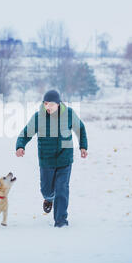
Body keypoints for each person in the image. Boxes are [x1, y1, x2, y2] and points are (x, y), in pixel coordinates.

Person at [15, 90, 88, 227]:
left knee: (62, 189)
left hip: (64, 159)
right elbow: (26, 133)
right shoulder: (38, 117)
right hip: (46, 160)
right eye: (46, 104)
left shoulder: (69, 114)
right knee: (46, 190)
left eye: (51, 104)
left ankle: (61, 221)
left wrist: (83, 146)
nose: (48, 107)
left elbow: (81, 129)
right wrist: (20, 146)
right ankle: (49, 199)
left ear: (58, 104)